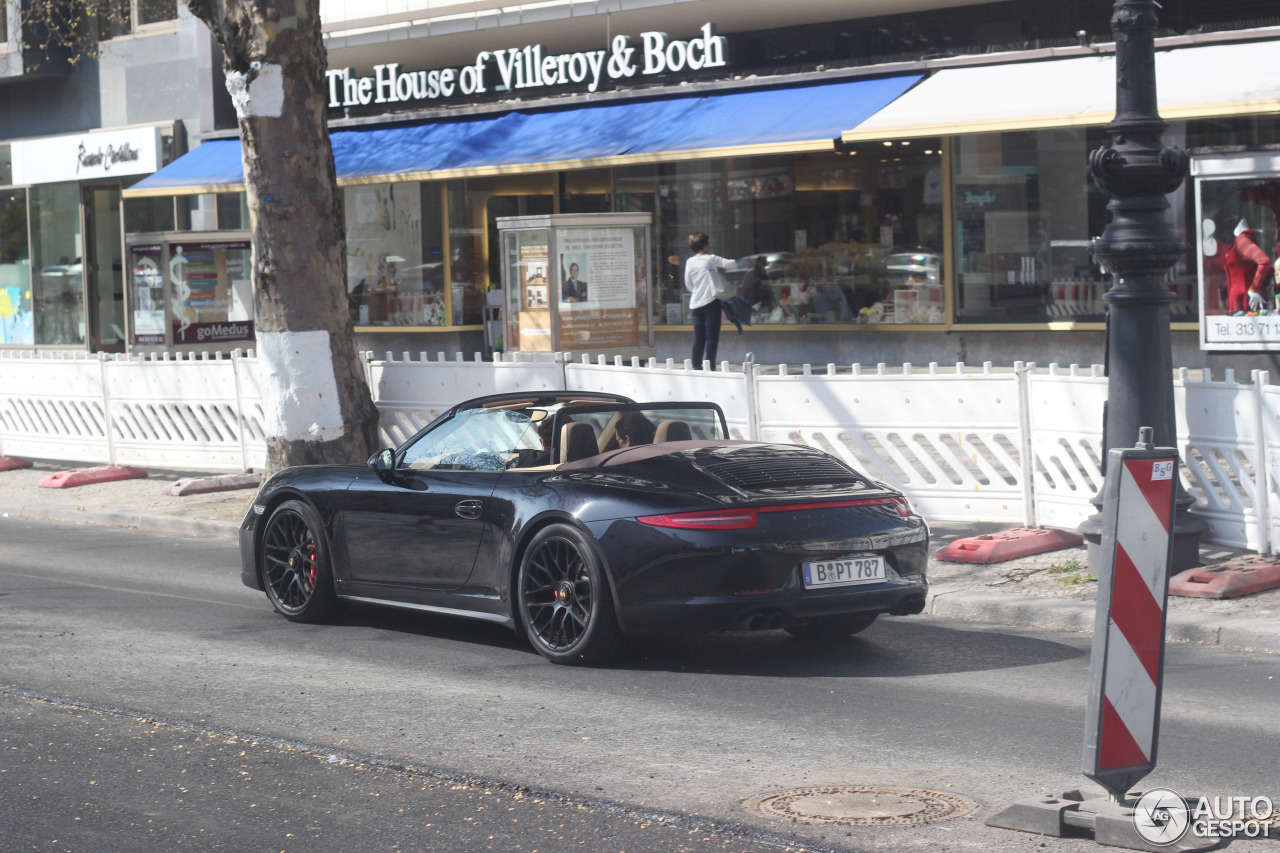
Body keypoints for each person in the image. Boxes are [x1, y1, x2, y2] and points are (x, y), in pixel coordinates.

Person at [684, 232, 737, 367]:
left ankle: (696, 367)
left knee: (699, 338)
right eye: (707, 243)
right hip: (711, 303)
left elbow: (688, 284)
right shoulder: (711, 259)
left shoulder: (689, 262)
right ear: (704, 245)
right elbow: (732, 265)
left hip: (695, 305)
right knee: (712, 338)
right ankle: (710, 367)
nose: (709, 245)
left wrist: (698, 291)